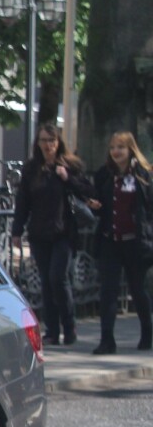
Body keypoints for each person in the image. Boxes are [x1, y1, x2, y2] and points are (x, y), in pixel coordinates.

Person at [11, 123, 94, 346]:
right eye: (44, 140)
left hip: (64, 232)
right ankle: (52, 330)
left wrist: (67, 178)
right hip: (39, 233)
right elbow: (23, 203)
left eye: (52, 140)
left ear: (59, 142)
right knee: (47, 282)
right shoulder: (31, 170)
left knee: (59, 278)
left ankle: (70, 326)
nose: (48, 145)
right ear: (37, 143)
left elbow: (87, 191)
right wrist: (16, 231)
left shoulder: (70, 166)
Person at [85, 131, 153, 354]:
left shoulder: (143, 175)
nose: (115, 152)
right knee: (108, 291)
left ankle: (147, 332)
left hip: (135, 242)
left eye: (120, 147)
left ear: (130, 149)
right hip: (110, 241)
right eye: (113, 147)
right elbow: (100, 203)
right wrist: (95, 206)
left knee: (137, 290)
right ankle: (107, 340)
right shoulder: (105, 174)